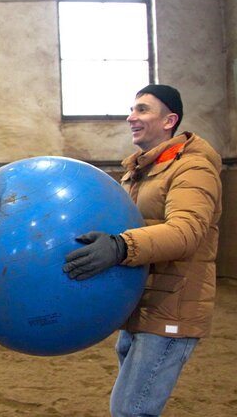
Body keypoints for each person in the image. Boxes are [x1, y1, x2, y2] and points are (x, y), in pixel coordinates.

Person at [63, 84, 222, 416]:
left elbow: (187, 232)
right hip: (139, 302)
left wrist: (120, 246)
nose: (131, 117)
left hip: (171, 307)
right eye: (132, 110)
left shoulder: (193, 168)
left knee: (131, 410)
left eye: (142, 110)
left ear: (170, 120)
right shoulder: (139, 171)